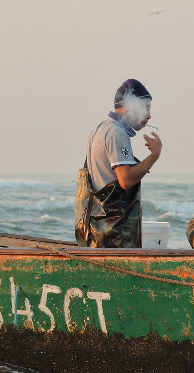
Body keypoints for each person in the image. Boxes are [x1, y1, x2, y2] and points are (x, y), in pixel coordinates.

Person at [75, 79, 162, 248]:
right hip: (113, 235)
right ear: (130, 105)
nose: (149, 115)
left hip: (97, 231)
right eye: (146, 107)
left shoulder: (100, 128)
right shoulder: (116, 133)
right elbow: (126, 180)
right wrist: (154, 155)